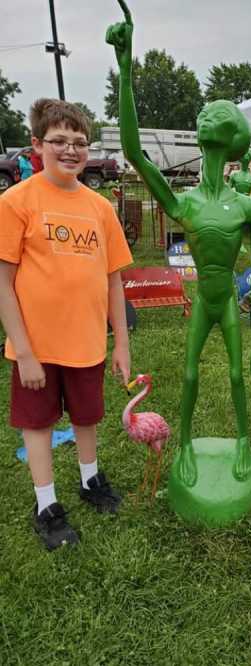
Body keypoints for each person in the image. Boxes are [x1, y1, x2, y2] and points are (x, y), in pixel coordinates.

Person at [106, 8, 251, 489]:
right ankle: (184, 445)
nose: (204, 114)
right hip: (204, 301)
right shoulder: (184, 203)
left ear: (232, 133)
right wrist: (127, 70)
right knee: (192, 376)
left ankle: (242, 441)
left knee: (238, 377)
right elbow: (134, 153)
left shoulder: (248, 207)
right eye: (203, 112)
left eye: (214, 113)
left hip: (230, 308)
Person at [0, 98, 133, 551]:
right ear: (37, 145)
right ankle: (46, 504)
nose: (70, 150)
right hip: (36, 348)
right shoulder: (17, 201)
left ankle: (90, 479)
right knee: (37, 425)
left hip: (88, 343)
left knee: (87, 416)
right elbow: (4, 283)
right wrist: (25, 351)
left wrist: (121, 345)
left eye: (79, 142)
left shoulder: (100, 208)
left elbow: (114, 281)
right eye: (59, 141)